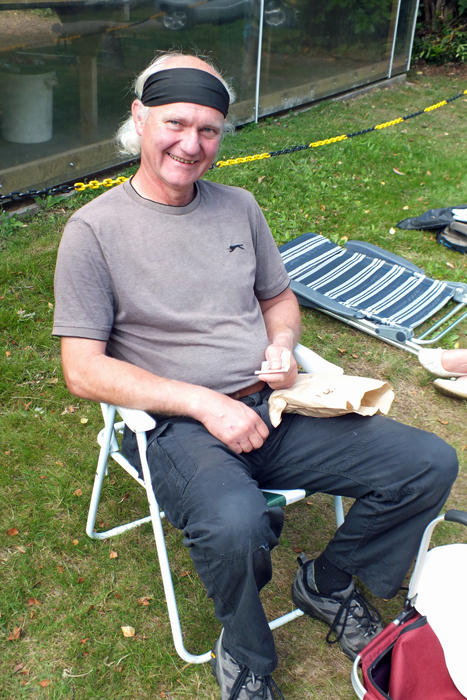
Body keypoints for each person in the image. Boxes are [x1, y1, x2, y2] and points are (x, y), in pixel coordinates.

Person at [53, 51, 459, 700]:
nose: (191, 145)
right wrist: (204, 405)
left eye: (208, 129)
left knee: (426, 463)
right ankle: (244, 651)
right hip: (177, 428)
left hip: (275, 405)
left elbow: (278, 299)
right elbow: (82, 369)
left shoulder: (237, 206)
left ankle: (325, 583)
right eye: (175, 123)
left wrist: (283, 343)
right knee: (236, 523)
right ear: (139, 118)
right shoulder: (93, 231)